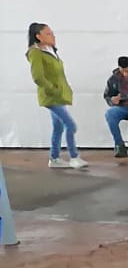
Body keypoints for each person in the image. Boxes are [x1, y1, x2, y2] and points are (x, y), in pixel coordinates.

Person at [26, 23, 86, 169]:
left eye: (52, 33)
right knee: (70, 125)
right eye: (48, 33)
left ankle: (54, 158)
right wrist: (53, 89)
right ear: (38, 37)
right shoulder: (36, 53)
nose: (52, 36)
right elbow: (38, 77)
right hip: (51, 96)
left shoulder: (50, 50)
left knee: (58, 127)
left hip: (59, 95)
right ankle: (74, 157)